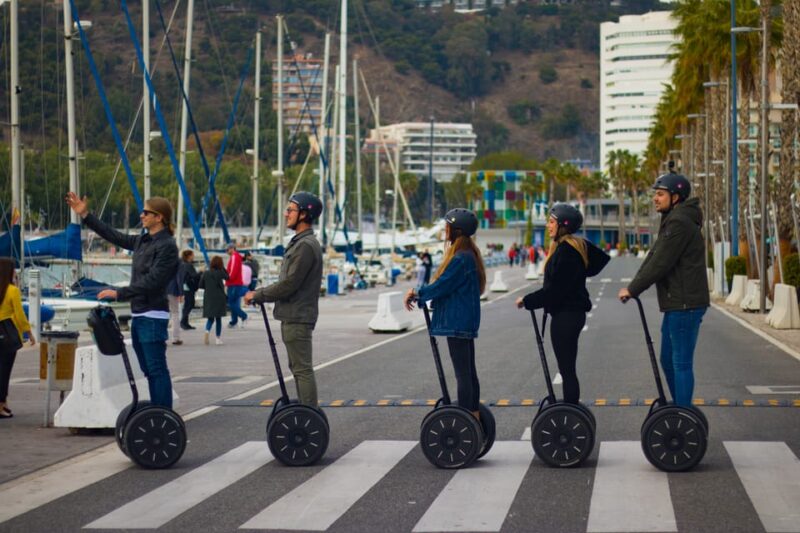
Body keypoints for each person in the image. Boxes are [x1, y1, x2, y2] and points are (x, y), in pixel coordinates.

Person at [66, 192, 178, 408]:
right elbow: (114, 236)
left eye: (147, 212)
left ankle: (164, 415)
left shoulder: (167, 246)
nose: (142, 215)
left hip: (153, 315)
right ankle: (157, 413)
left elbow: (154, 281)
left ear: (159, 217)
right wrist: (86, 215)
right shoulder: (143, 241)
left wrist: (119, 293)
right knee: (148, 370)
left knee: (156, 369)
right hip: (139, 313)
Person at [618, 172, 709, 407]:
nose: (655, 199)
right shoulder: (673, 219)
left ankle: (683, 414)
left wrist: (633, 290)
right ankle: (680, 410)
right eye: (655, 194)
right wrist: (632, 286)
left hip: (685, 304)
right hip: (678, 303)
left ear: (676, 197)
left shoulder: (679, 222)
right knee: (667, 360)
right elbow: (653, 256)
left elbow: (661, 262)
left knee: (680, 363)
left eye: (660, 194)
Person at [516, 203, 609, 405]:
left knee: (567, 369)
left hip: (566, 316)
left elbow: (555, 291)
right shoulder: (568, 248)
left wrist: (527, 300)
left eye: (551, 222)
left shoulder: (567, 252)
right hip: (569, 315)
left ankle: (570, 411)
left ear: (563, 225)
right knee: (567, 368)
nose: (548, 226)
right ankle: (570, 410)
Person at [404, 208, 486, 422]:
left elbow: (443, 285)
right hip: (464, 321)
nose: (444, 230)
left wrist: (416, 292)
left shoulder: (460, 258)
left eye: (447, 227)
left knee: (463, 375)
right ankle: (474, 418)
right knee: (469, 373)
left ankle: (468, 420)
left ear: (457, 231)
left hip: (457, 322)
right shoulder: (469, 255)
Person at [244, 192, 324, 406]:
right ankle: (306, 412)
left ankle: (309, 414)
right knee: (298, 369)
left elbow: (290, 284)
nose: (286, 213)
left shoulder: (305, 246)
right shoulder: (300, 243)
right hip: (293, 315)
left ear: (304, 214)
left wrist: (257, 294)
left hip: (298, 316)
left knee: (302, 369)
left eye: (290, 210)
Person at [0, 258, 35, 419]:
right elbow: (19, 315)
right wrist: (29, 332)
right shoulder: (12, 290)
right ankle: (1, 405)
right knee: (4, 371)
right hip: (5, 331)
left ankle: (3, 404)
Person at [200, 255, 229, 345]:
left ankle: (207, 331)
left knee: (210, 318)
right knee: (218, 319)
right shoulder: (220, 272)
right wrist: (223, 267)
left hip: (208, 297)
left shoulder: (206, 273)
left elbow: (200, 285)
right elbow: (228, 277)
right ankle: (217, 339)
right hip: (219, 297)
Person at [225, 243, 248, 328]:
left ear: (232, 249)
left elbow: (233, 270)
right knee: (234, 303)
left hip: (233, 283)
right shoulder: (237, 257)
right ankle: (234, 321)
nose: (226, 251)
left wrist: (228, 278)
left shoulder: (234, 256)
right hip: (235, 283)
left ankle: (244, 316)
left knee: (231, 303)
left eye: (227, 250)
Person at [166, 256, 186, 345]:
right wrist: (181, 293)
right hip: (172, 290)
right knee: (175, 313)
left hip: (162, 290)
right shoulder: (178, 262)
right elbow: (179, 278)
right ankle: (175, 338)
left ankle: (162, 338)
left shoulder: (163, 259)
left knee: (163, 313)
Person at [180, 250, 200, 330]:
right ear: (189, 256)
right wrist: (200, 271)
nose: (193, 257)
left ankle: (185, 323)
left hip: (185, 286)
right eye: (192, 255)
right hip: (188, 287)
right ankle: (183, 322)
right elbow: (194, 275)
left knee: (187, 305)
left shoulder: (184, 264)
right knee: (190, 304)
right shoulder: (188, 265)